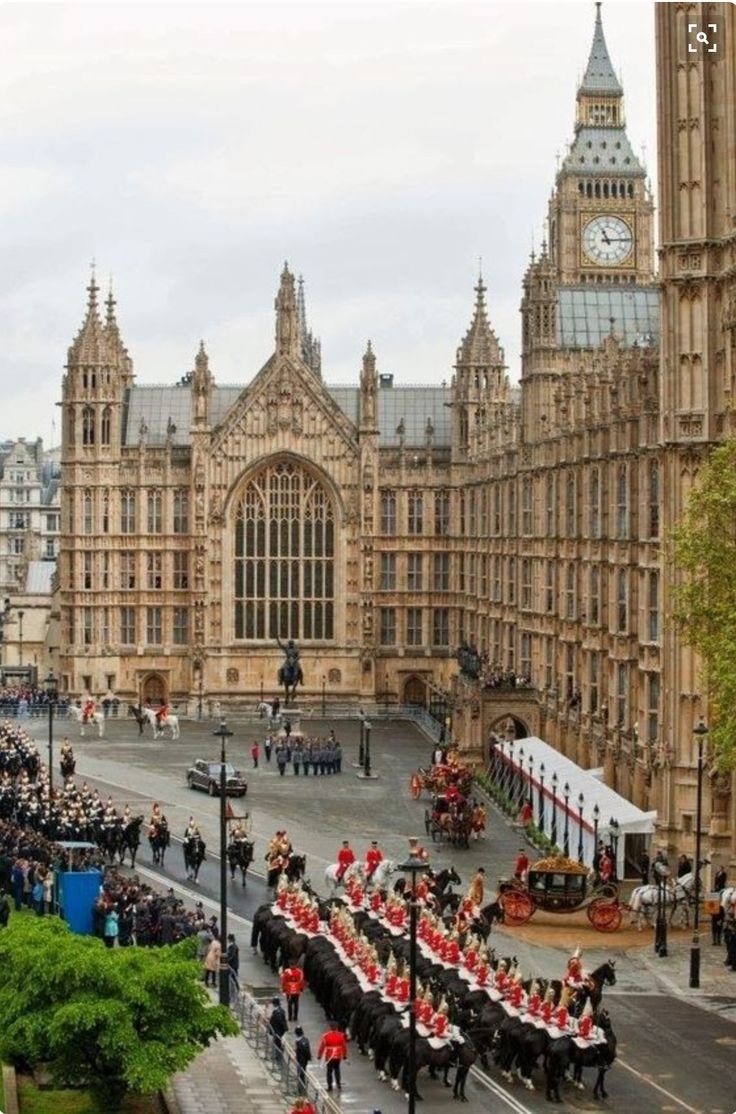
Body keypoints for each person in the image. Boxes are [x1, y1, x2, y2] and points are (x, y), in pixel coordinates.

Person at [317, 1020, 348, 1093]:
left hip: (329, 1056)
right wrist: (344, 1056)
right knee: (337, 1070)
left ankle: (330, 1086)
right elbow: (344, 1046)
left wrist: (319, 1055)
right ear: (337, 1027)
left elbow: (322, 1046)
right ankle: (338, 1084)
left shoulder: (326, 1036)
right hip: (337, 1056)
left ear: (330, 1027)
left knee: (329, 1072)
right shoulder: (341, 1035)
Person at [269, 996, 289, 1062]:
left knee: (277, 1043)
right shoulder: (280, 1010)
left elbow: (280, 1022)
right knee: (277, 1042)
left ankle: (278, 1055)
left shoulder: (278, 1012)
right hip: (278, 1030)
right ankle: (278, 1054)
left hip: (278, 1031)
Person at [294, 1025, 312, 1094]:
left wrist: (308, 1057)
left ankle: (302, 1089)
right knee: (301, 1074)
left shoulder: (300, 1042)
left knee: (301, 1074)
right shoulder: (305, 1040)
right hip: (302, 1060)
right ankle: (301, 1088)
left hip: (301, 1060)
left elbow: (306, 1051)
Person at [712, 866, 728, 945]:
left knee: (719, 926)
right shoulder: (717, 874)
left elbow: (723, 881)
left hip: (721, 888)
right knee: (714, 926)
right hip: (717, 888)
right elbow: (715, 881)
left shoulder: (724, 874)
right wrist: (715, 887)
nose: (718, 869)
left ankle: (718, 940)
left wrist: (719, 886)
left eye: (719, 868)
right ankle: (715, 940)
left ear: (722, 869)